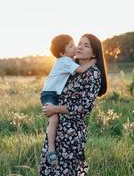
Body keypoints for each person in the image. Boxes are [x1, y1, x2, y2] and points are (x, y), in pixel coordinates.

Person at [39, 33, 108, 175]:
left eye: (86, 45)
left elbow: (83, 108)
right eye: (80, 43)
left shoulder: (93, 74)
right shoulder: (72, 69)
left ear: (94, 53)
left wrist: (55, 108)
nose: (80, 47)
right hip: (56, 131)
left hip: (70, 136)